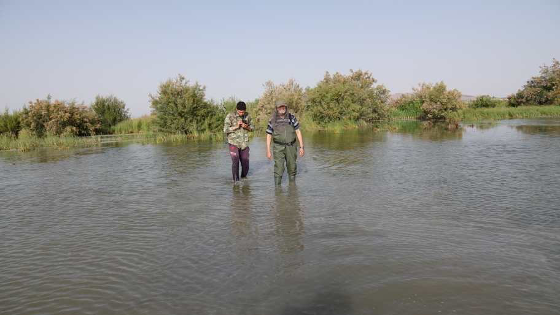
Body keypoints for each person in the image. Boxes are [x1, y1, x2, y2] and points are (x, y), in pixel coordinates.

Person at [266, 101, 305, 186]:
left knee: (292, 167)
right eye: (280, 107)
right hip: (278, 147)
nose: (282, 108)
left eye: (283, 107)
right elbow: (269, 135)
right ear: (277, 108)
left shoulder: (292, 117)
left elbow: (298, 131)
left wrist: (302, 147)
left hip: (291, 146)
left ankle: (292, 189)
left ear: (286, 108)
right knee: (279, 168)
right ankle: (277, 191)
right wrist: (268, 151)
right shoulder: (272, 120)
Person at [224, 101, 254, 182]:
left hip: (244, 144)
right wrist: (236, 126)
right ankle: (235, 182)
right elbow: (225, 130)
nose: (241, 113)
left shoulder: (248, 116)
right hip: (233, 143)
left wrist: (246, 127)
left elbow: (252, 128)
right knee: (235, 161)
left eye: (243, 112)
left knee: (245, 163)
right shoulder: (230, 116)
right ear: (237, 109)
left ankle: (244, 180)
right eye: (240, 111)